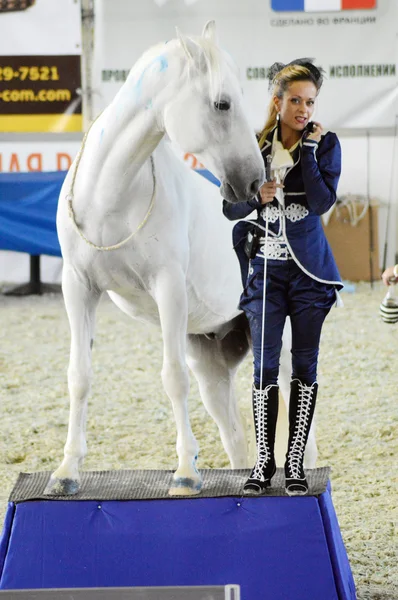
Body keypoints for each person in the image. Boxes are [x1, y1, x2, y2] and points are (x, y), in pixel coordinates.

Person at [222, 58, 343, 496]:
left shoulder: (326, 144)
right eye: (295, 100)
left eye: (310, 102)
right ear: (278, 101)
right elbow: (229, 206)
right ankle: (262, 462)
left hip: (311, 273)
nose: (304, 110)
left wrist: (308, 152)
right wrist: (256, 195)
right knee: (264, 367)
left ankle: (294, 462)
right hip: (267, 272)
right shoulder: (253, 146)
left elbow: (320, 202)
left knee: (305, 367)